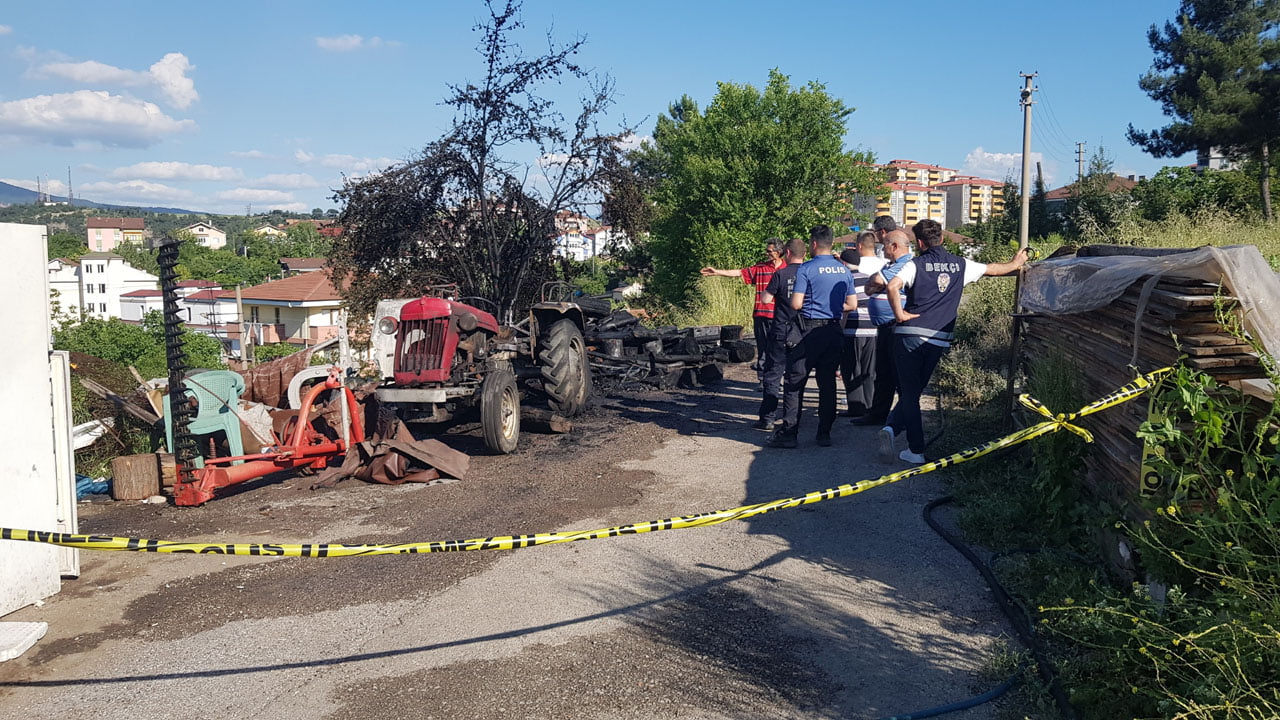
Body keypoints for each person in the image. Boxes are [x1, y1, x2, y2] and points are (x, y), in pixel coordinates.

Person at [881, 219, 1027, 464]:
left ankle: (914, 449)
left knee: (909, 391)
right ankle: (892, 428)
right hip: (938, 339)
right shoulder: (961, 264)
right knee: (914, 391)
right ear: (942, 239)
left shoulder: (916, 264)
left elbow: (893, 286)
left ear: (919, 243)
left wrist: (900, 314)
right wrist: (1016, 263)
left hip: (910, 335)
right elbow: (993, 269)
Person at [767, 225, 856, 449]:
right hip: (834, 330)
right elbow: (852, 305)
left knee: (795, 382)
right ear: (831, 243)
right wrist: (832, 307)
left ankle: (789, 433)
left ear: (813, 244)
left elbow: (796, 303)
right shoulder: (843, 270)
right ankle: (824, 433)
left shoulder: (806, 269)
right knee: (827, 383)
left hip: (808, 331)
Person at [853, 229, 914, 426]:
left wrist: (876, 286)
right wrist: (875, 286)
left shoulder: (907, 264)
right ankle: (878, 414)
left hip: (897, 325)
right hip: (884, 327)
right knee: (883, 372)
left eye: (885, 244)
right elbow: (870, 286)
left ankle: (903, 418)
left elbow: (877, 281)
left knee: (896, 373)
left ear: (894, 246)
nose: (882, 248)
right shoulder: (891, 264)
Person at [701, 239, 784, 379]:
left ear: (778, 252)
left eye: (769, 251)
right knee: (763, 348)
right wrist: (717, 272)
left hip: (780, 315)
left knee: (779, 348)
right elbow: (739, 272)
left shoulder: (786, 269)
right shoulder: (761, 267)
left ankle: (778, 379)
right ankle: (763, 379)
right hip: (761, 314)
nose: (767, 254)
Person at [755, 237, 807, 429]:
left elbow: (766, 300)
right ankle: (791, 421)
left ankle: (767, 418)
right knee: (795, 376)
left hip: (780, 328)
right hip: (801, 331)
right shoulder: (809, 273)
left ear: (787, 253)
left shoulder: (780, 274)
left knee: (773, 374)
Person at [837, 233, 881, 417]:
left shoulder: (845, 281)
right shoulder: (870, 278)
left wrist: (839, 330)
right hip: (873, 330)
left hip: (852, 332)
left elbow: (844, 310)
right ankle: (870, 406)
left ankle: (856, 407)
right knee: (869, 371)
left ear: (844, 264)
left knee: (852, 369)